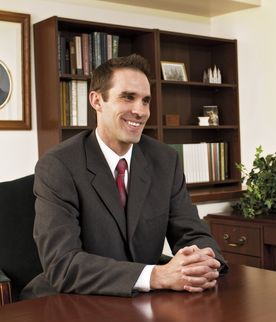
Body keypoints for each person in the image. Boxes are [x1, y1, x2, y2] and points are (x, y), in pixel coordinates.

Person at [22, 54, 227, 299]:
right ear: (97, 100)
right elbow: (63, 265)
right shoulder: (58, 166)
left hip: (141, 302)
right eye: (128, 97)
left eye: (146, 101)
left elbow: (191, 231)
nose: (140, 111)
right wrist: (156, 276)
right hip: (70, 301)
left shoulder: (164, 160)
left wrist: (204, 261)